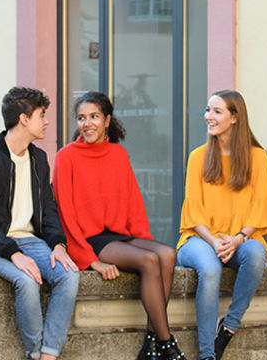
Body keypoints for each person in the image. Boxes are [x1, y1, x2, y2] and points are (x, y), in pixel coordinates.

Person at [52, 91, 186, 360]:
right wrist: (91, 260)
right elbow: (64, 213)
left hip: (117, 234)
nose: (87, 123)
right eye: (81, 118)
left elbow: (133, 203)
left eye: (94, 117)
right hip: (90, 239)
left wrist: (142, 237)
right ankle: (167, 344)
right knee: (149, 261)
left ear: (107, 120)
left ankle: (152, 344)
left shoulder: (118, 154)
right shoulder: (66, 157)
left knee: (167, 254)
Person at [0, 87, 80, 360]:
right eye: (42, 115)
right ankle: (34, 351)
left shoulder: (39, 159)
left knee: (69, 275)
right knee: (26, 281)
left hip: (30, 241)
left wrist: (58, 244)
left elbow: (48, 209)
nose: (47, 121)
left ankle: (49, 354)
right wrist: (13, 253)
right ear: (24, 119)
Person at [176, 90, 267, 360]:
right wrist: (215, 241)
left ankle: (230, 326)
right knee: (209, 269)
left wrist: (237, 239)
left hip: (240, 237)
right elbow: (193, 210)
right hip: (198, 238)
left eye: (217, 111)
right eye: (208, 110)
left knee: (256, 255)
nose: (208, 116)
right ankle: (208, 354)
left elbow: (259, 205)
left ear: (234, 117)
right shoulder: (198, 157)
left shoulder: (257, 157)